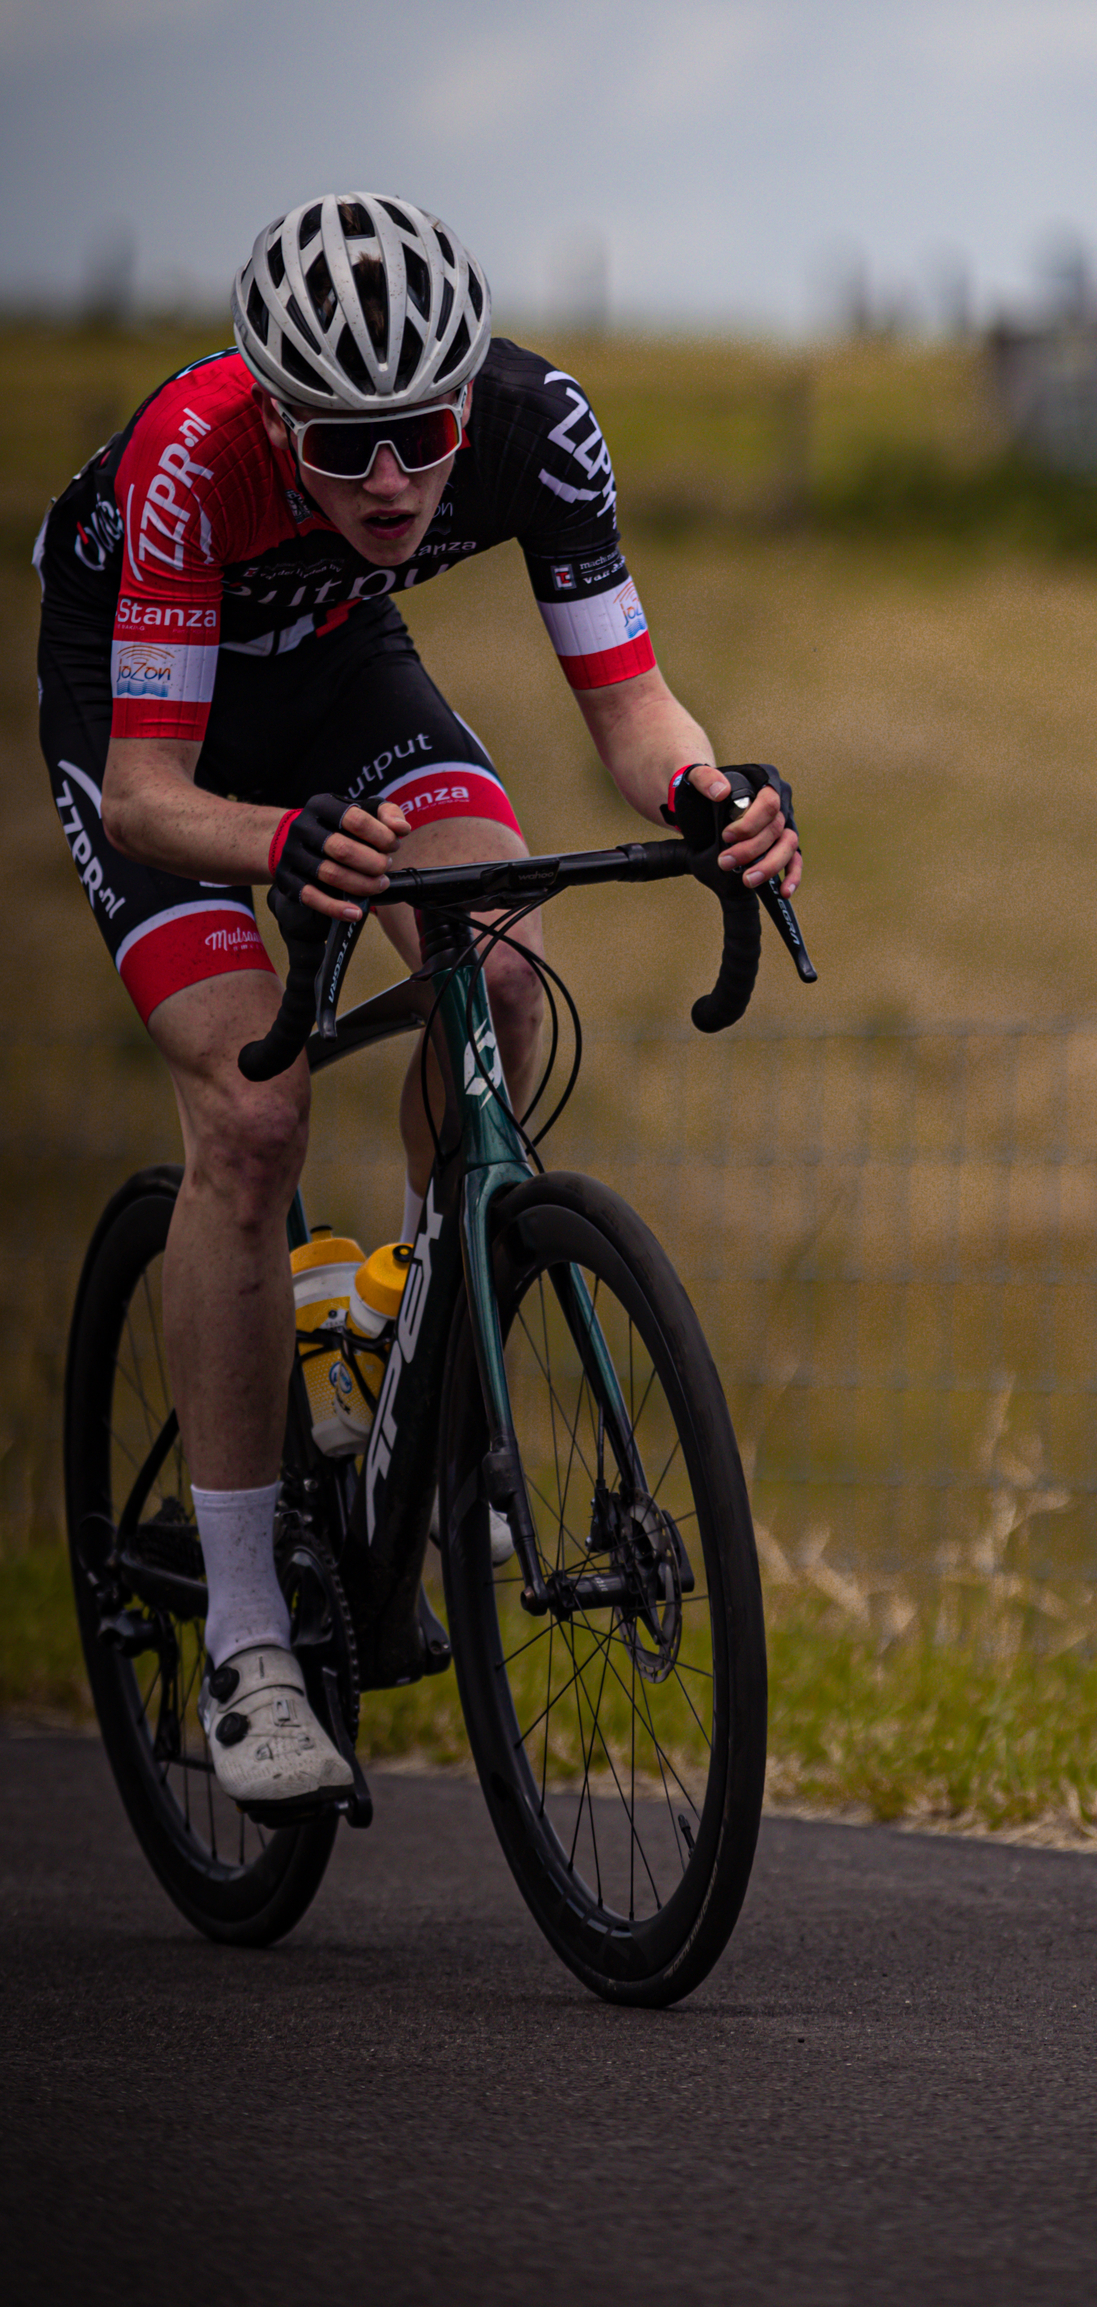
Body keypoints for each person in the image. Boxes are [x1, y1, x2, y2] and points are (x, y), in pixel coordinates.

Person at [35, 191, 799, 1820]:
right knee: (251, 1112)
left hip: (327, 669)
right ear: (275, 414)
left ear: (473, 395)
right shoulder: (194, 455)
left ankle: (393, 1301)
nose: (390, 477)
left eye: (423, 432)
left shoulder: (539, 427)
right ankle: (249, 1643)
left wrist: (707, 794)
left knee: (504, 957)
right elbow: (153, 796)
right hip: (144, 713)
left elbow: (632, 700)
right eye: (343, 442)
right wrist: (281, 846)